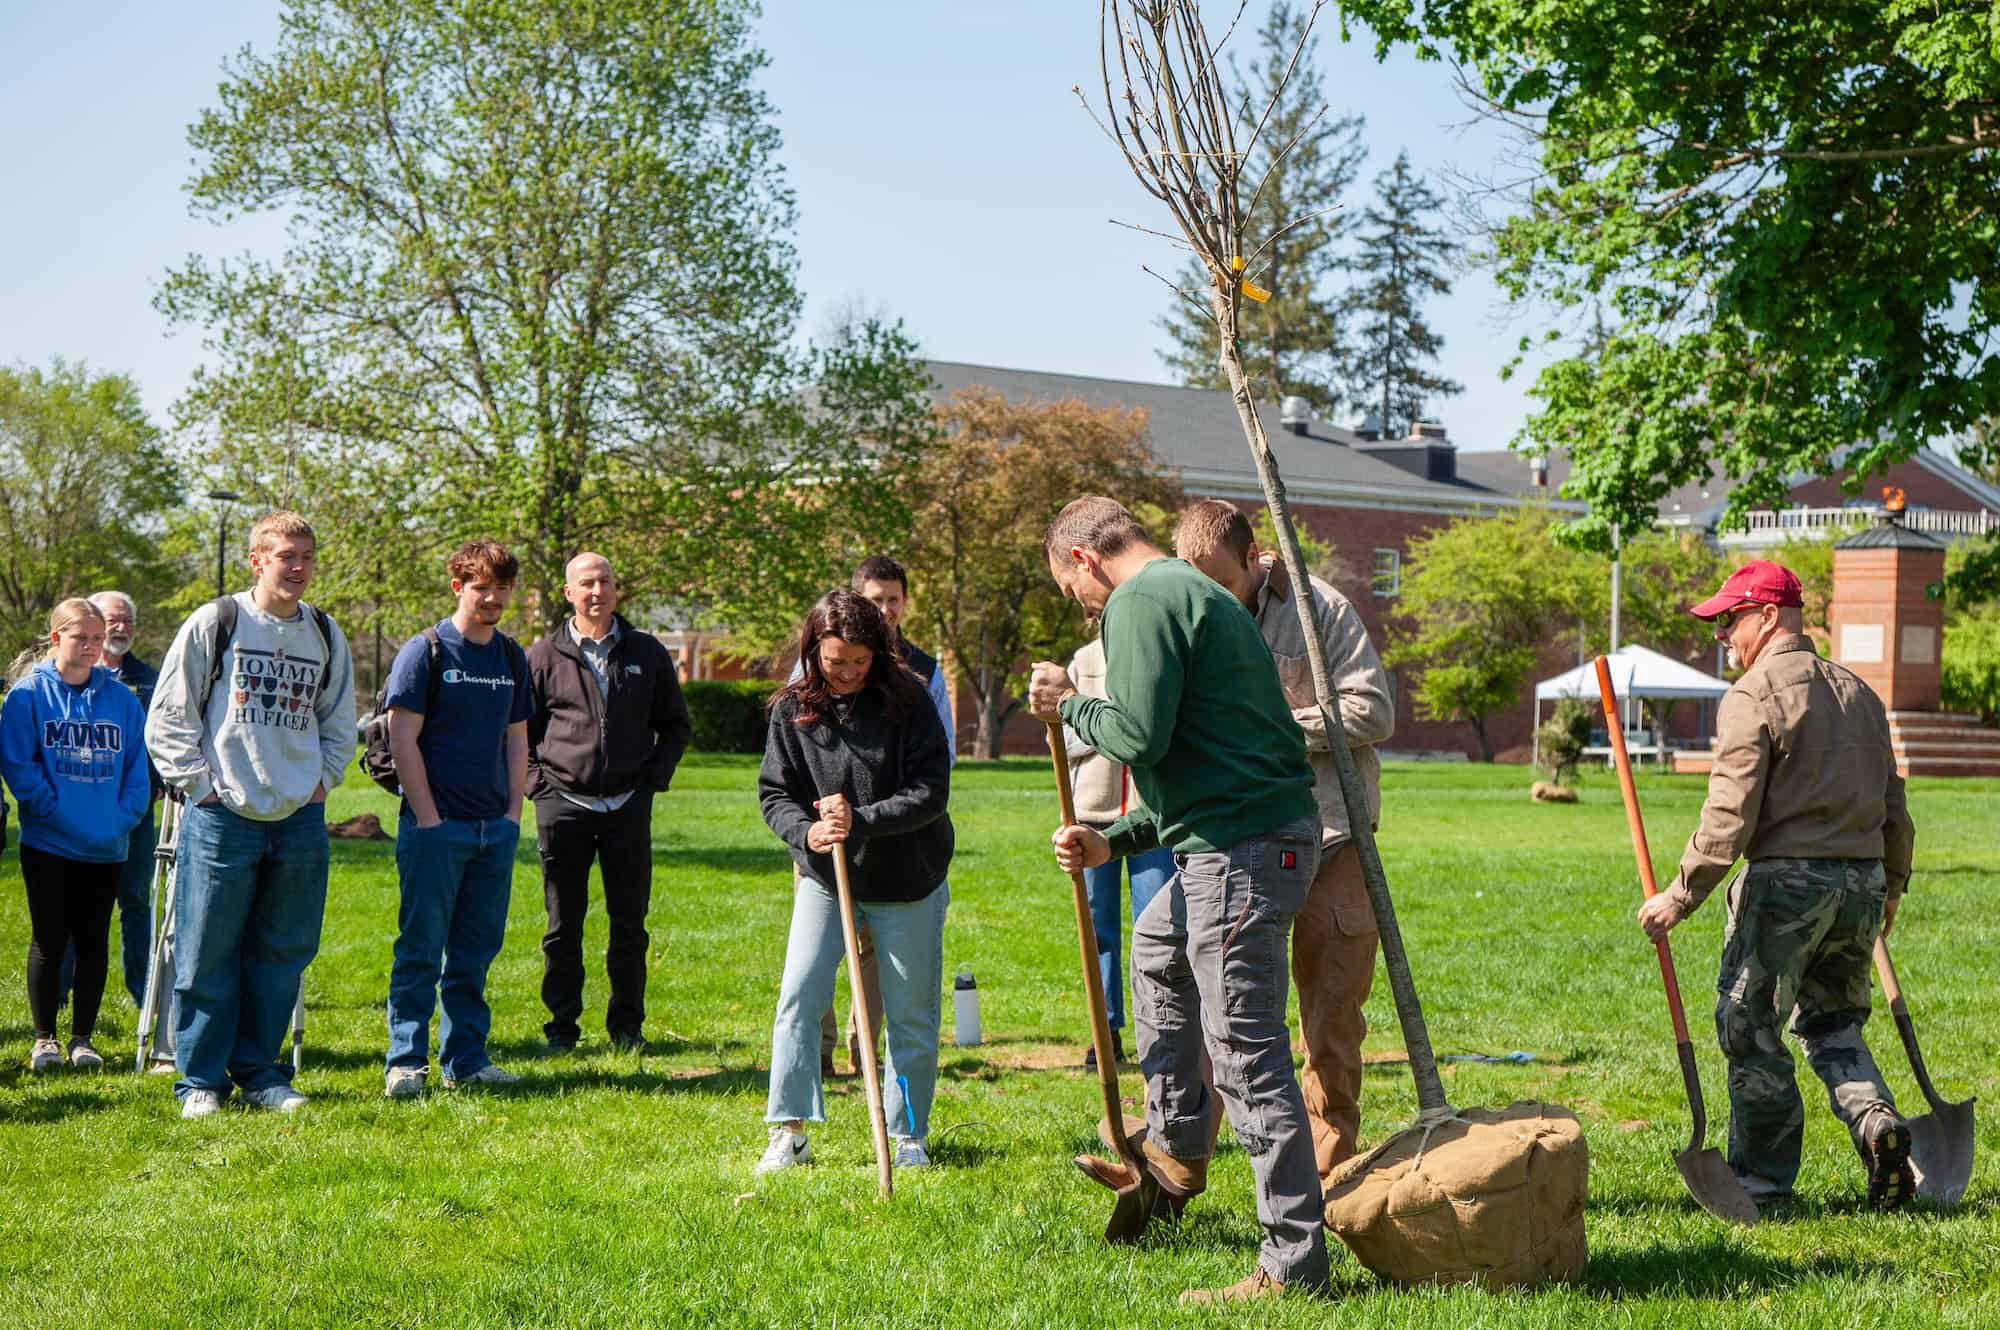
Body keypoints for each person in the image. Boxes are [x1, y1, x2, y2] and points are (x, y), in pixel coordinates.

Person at [1028, 496, 1328, 1306]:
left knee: (1246, 1050)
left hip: (1244, 853)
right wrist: (1111, 840)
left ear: (1086, 561)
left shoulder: (1142, 599)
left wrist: (1068, 700)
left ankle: (1293, 1265)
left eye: (1070, 591)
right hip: (1238, 838)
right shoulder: (1195, 594)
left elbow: (1138, 737)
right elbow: (1204, 758)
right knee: (1158, 953)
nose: (1082, 609)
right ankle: (1175, 1148)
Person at [1639, 558, 1918, 1211]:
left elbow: (1729, 814)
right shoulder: (1860, 693)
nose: (1724, 639)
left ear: (1767, 616)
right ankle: (1877, 1123)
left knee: (1751, 1027)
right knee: (1834, 1023)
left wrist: (1680, 895)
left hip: (1786, 889)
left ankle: (1762, 1181)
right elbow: (1895, 809)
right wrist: (1892, 889)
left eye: (1729, 622)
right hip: (1861, 884)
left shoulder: (1754, 694)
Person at [1174, 499, 1394, 1178]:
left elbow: (1373, 708)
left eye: (1224, 580)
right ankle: (1185, 1156)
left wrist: (1270, 723)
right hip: (1232, 834)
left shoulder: (1316, 607)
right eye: (1198, 582)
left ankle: (1327, 1168)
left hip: (1330, 831)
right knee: (1218, 998)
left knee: (1331, 1003)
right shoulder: (1188, 611)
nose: (1212, 596)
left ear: (1254, 557)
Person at [145, 511, 357, 1118]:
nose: (298, 567)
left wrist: (321, 782)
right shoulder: (219, 621)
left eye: (307, 556)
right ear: (256, 560)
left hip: (298, 818)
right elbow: (169, 717)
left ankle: (262, 1074)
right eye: (286, 555)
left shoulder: (323, 631)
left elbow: (340, 720)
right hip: (222, 814)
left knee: (285, 948)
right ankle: (200, 1082)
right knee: (207, 950)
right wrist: (202, 788)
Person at [756, 588, 952, 1174]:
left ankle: (909, 1133)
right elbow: (775, 793)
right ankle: (789, 1132)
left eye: (859, 663)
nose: (846, 674)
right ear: (813, 651)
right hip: (825, 877)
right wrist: (805, 832)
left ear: (879, 656)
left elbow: (930, 792)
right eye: (835, 661)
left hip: (906, 878)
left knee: (910, 1011)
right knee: (799, 995)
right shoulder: (792, 708)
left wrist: (861, 820)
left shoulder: (908, 701)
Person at [382, 539, 533, 1098]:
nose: (492, 598)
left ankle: (467, 1058)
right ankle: (406, 1061)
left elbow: (517, 738)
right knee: (421, 948)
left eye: (501, 589)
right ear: (457, 587)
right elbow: (402, 736)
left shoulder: (511, 656)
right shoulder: (426, 652)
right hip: (434, 830)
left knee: (475, 951)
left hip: (493, 829)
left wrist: (513, 813)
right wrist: (427, 816)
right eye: (481, 588)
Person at [527, 551, 692, 1053]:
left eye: (605, 582)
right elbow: (520, 735)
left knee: (629, 926)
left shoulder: (647, 652)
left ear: (616, 590)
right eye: (586, 584)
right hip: (562, 805)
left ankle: (626, 1028)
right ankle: (561, 1029)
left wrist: (650, 783)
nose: (596, 592)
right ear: (568, 593)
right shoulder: (540, 657)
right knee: (563, 927)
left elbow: (676, 725)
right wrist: (540, 786)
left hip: (627, 807)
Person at [802, 555, 956, 1078]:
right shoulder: (812, 667)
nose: (885, 609)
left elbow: (938, 765)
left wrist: (873, 813)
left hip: (896, 846)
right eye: (876, 599)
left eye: (894, 599)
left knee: (877, 959)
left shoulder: (922, 673)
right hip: (822, 842)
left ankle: (863, 1045)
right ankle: (818, 1050)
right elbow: (790, 758)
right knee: (814, 964)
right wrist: (812, 827)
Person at [0, 599, 150, 1072]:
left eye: (96, 639)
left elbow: (137, 770)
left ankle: (82, 1038)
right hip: (49, 842)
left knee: (92, 940)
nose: (90, 647)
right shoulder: (28, 697)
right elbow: (19, 766)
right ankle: (45, 1038)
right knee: (50, 939)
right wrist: (50, 810)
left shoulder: (122, 700)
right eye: (80, 638)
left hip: (107, 843)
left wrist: (123, 818)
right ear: (56, 638)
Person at [1061, 634, 1175, 1069]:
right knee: (1097, 926)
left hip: (1152, 816)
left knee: (1158, 924)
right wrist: (1115, 726)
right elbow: (1064, 737)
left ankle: (1162, 1027)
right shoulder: (1083, 658)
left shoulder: (1156, 650)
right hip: (1092, 812)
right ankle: (1104, 1029)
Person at [90, 590, 164, 1011]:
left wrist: (153, 784)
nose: (121, 629)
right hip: (80, 808)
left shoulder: (150, 679)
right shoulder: (72, 676)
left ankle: (144, 991)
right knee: (79, 902)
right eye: (112, 620)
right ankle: (63, 992)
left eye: (127, 622)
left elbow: (159, 740)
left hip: (137, 810)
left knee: (136, 899)